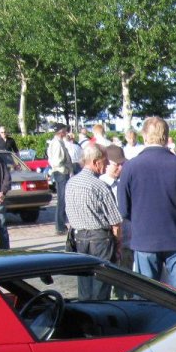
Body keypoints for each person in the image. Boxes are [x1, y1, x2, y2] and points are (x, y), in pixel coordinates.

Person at [117, 116, 176, 291]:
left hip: (144, 239)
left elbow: (124, 209)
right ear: (166, 136)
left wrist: (141, 218)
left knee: (146, 296)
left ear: (145, 136)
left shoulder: (131, 167)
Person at [65, 143, 122, 299]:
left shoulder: (71, 183)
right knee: (101, 287)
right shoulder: (100, 186)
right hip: (100, 240)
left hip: (79, 238)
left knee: (84, 287)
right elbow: (115, 222)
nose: (106, 165)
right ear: (96, 162)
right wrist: (118, 245)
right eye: (105, 161)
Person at [99, 144, 132, 270]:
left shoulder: (124, 182)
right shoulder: (100, 185)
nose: (120, 168)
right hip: (111, 243)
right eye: (116, 165)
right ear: (106, 163)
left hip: (128, 241)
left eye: (122, 164)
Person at [47, 125, 74, 233]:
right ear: (61, 132)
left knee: (62, 199)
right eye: (65, 131)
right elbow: (56, 161)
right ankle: (60, 226)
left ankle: (60, 225)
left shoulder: (57, 142)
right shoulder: (57, 143)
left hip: (60, 171)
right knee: (62, 200)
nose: (66, 133)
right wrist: (66, 166)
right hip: (61, 172)